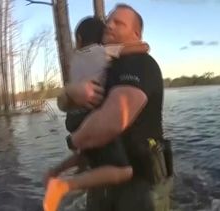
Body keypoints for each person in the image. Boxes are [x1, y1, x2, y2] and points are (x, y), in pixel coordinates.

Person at [62, 4, 173, 211]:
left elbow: (111, 122)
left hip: (140, 184)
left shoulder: (141, 64)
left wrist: (73, 141)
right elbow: (65, 105)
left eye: (118, 22)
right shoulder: (103, 66)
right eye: (109, 21)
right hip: (104, 180)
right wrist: (70, 91)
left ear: (136, 33)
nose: (109, 25)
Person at [43, 16, 152, 211]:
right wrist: (142, 46)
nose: (111, 28)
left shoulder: (76, 58)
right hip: (92, 118)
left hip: (76, 118)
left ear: (79, 39)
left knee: (86, 157)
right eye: (108, 28)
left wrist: (69, 90)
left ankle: (56, 171)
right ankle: (63, 185)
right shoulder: (103, 52)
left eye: (119, 24)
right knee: (124, 171)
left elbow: (64, 100)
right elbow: (135, 48)